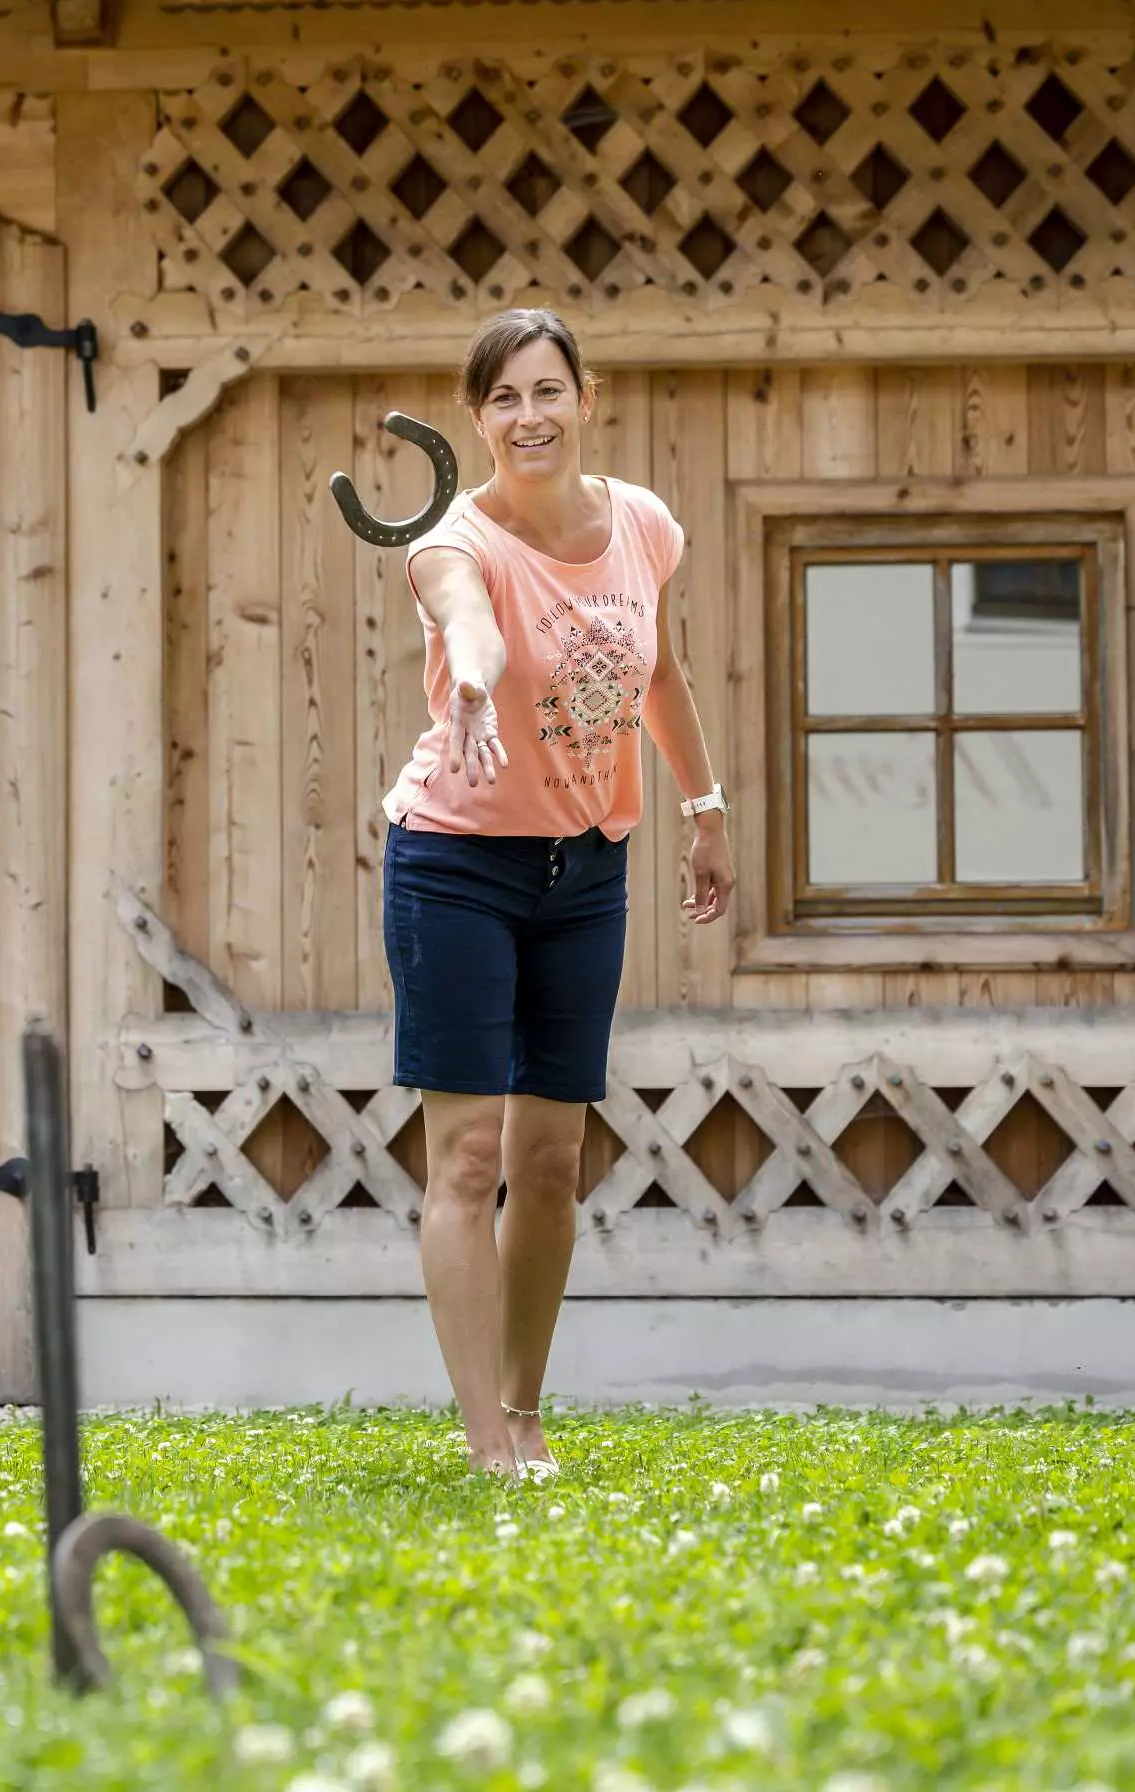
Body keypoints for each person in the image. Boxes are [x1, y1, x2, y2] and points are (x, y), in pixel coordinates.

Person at [381, 308, 735, 1479]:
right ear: (476, 418)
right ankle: (487, 1439)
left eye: (547, 391)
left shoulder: (641, 524)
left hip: (587, 865)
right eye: (502, 400)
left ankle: (527, 1408)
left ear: (589, 397)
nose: (527, 417)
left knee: (550, 1159)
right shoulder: (452, 535)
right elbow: (466, 619)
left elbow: (661, 671)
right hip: (458, 861)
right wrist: (472, 685)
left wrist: (704, 809)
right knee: (470, 1154)